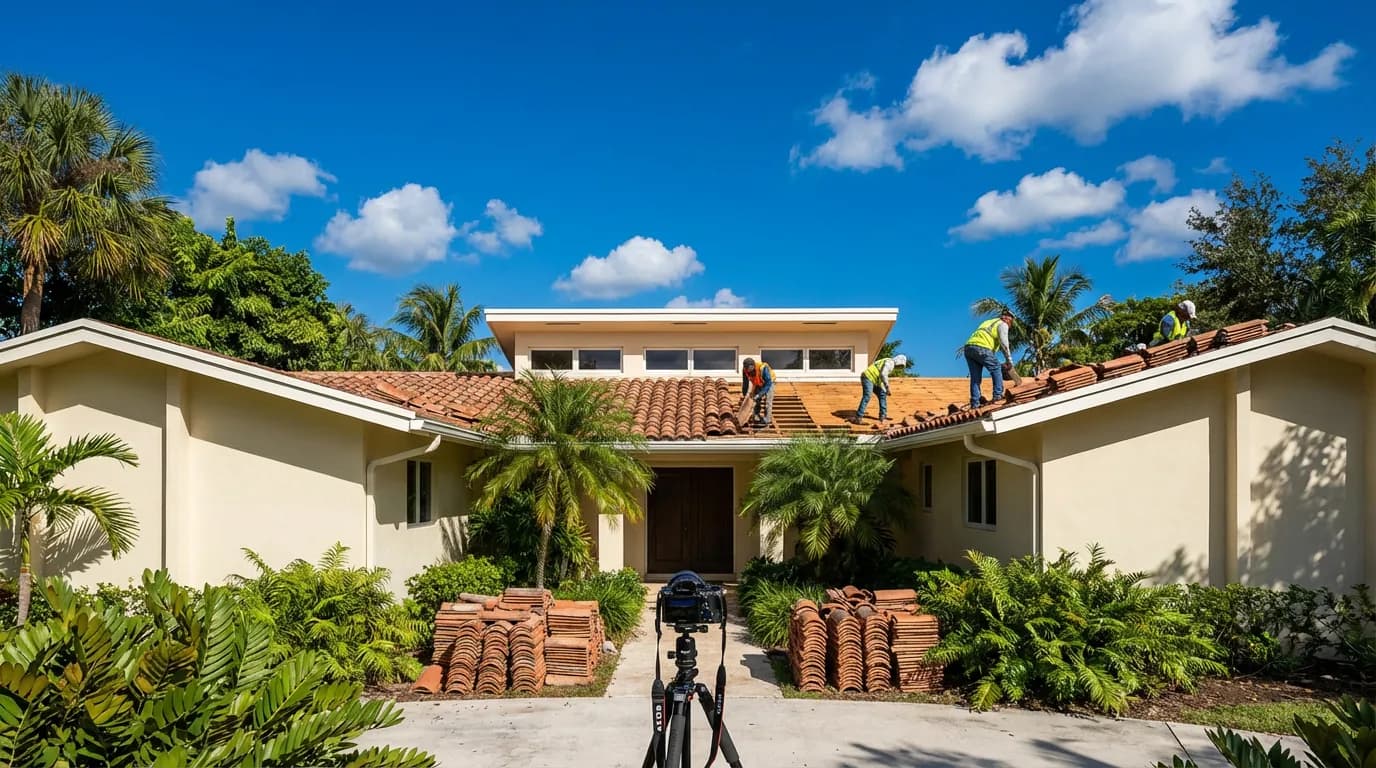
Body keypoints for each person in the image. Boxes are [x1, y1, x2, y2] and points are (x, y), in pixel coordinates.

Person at [964, 309, 1014, 409]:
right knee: (996, 368)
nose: (1009, 325)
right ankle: (998, 396)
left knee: (975, 378)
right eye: (1011, 322)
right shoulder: (1003, 324)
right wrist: (1009, 361)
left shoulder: (988, 322)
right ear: (1008, 319)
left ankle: (975, 403)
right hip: (981, 347)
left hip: (969, 348)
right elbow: (1004, 344)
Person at [854, 354, 908, 424]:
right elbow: (883, 374)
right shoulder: (890, 362)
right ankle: (858, 417)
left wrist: (886, 390)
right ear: (898, 360)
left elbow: (881, 377)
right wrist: (887, 387)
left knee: (882, 394)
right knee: (867, 396)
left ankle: (883, 416)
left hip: (874, 381)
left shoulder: (889, 363)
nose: (898, 367)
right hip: (868, 377)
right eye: (899, 365)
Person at [741, 357, 775, 427]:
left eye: (750, 369)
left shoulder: (763, 368)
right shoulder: (745, 370)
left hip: (769, 382)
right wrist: (745, 394)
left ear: (753, 366)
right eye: (747, 369)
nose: (749, 371)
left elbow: (768, 383)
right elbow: (745, 383)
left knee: (768, 401)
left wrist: (760, 394)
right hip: (758, 383)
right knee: (756, 400)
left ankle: (767, 420)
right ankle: (756, 415)